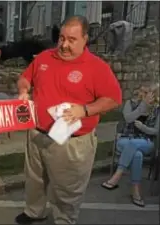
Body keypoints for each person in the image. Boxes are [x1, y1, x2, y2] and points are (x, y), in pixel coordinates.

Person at [15, 15, 122, 224]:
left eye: (71, 40)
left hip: (71, 141)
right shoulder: (45, 57)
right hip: (37, 134)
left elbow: (113, 99)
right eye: (61, 38)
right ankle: (34, 211)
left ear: (85, 39)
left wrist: (85, 110)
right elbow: (25, 77)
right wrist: (23, 90)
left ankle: (65, 220)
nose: (64, 45)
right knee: (35, 180)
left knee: (68, 188)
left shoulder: (96, 67)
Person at [101, 84, 159, 207]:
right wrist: (142, 105)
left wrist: (143, 127)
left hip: (146, 141)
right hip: (126, 139)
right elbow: (128, 118)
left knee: (134, 145)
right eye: (142, 91)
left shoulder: (157, 109)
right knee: (136, 154)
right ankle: (136, 191)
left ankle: (117, 175)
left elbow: (156, 131)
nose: (144, 94)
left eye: (148, 92)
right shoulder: (130, 104)